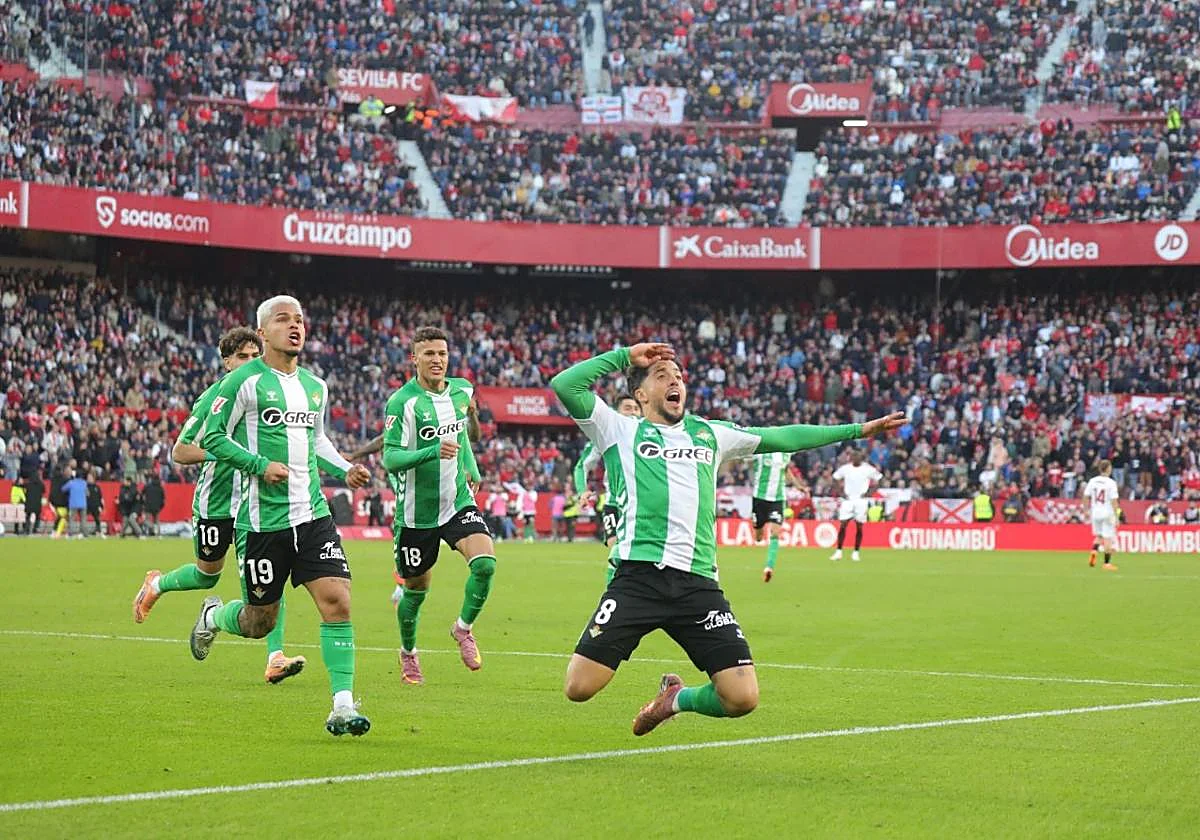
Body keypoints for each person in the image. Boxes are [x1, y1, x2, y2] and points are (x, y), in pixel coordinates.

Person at [550, 342, 903, 736]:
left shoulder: (709, 433)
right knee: (578, 687)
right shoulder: (618, 429)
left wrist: (857, 430)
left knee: (741, 698)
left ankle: (675, 699)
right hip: (638, 579)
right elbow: (565, 384)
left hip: (698, 584)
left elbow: (784, 437)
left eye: (679, 376)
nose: (675, 382)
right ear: (641, 394)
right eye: (662, 376)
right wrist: (623, 356)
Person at [193, 295, 373, 736]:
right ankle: (213, 618)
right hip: (260, 524)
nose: (295, 326)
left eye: (300, 320)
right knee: (260, 622)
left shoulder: (315, 386)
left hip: (311, 515)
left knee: (338, 601)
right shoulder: (242, 382)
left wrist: (344, 468)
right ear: (262, 332)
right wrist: (258, 465)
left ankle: (342, 706)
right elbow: (211, 437)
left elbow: (317, 439)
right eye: (283, 319)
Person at [132, 327, 306, 685]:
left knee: (270, 577)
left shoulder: (269, 396)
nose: (250, 362)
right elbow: (180, 451)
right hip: (215, 503)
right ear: (226, 362)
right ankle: (157, 584)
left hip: (252, 506)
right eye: (242, 357)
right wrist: (228, 453)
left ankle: (275, 656)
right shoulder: (214, 397)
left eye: (255, 355)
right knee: (205, 574)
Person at [382, 326, 495, 686]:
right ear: (414, 358)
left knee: (485, 564)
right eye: (429, 353)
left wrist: (471, 467)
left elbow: (461, 435)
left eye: (442, 353)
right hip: (417, 515)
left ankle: (463, 629)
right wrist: (431, 451)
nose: (437, 360)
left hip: (457, 501)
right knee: (415, 592)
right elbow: (390, 458)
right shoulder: (403, 403)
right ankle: (408, 652)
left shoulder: (462, 391)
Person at [574, 394, 641, 579]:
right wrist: (582, 491)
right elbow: (581, 466)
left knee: (634, 556)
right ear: (616, 412)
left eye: (636, 409)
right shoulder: (605, 436)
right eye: (628, 408)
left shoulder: (649, 435)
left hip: (640, 505)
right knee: (616, 551)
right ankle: (615, 591)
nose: (633, 412)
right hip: (614, 502)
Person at [749, 450, 801, 581]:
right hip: (760, 498)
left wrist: (798, 486)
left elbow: (786, 469)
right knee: (758, 537)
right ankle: (759, 529)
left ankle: (769, 567)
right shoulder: (760, 453)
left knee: (775, 533)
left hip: (778, 499)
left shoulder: (786, 454)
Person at [830, 448, 883, 562]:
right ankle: (839, 551)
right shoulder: (846, 468)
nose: (855, 458)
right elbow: (835, 478)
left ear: (861, 458)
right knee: (843, 524)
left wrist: (870, 492)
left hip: (861, 500)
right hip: (848, 499)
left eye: (857, 456)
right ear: (851, 458)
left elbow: (880, 478)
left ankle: (856, 552)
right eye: (854, 456)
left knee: (859, 526)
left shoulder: (867, 469)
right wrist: (840, 492)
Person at [1084, 460, 1120, 571]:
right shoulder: (1111, 483)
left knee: (1099, 536)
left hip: (1095, 513)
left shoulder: (1092, 481)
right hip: (1107, 513)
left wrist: (1086, 510)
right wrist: (1117, 516)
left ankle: (1094, 551)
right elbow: (1114, 501)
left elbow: (1086, 496)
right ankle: (1107, 563)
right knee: (1107, 538)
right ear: (1108, 469)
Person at [63, 469, 88, 538]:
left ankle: (70, 533)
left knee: (72, 519)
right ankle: (84, 533)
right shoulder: (84, 483)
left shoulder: (71, 482)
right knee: (83, 519)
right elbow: (87, 493)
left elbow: (63, 489)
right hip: (83, 503)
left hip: (73, 503)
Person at [23, 471, 44, 535]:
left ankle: (27, 529)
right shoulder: (41, 484)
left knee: (28, 517)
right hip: (37, 503)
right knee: (37, 517)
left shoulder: (27, 484)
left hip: (29, 503)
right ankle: (35, 529)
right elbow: (43, 491)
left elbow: (25, 492)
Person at [86, 472, 105, 537]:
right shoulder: (85, 487)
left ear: (93, 478)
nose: (89, 479)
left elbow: (100, 497)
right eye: (88, 477)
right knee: (84, 519)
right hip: (87, 505)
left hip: (96, 506)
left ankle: (98, 531)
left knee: (97, 519)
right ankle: (84, 531)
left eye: (90, 477)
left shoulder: (97, 487)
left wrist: (101, 506)